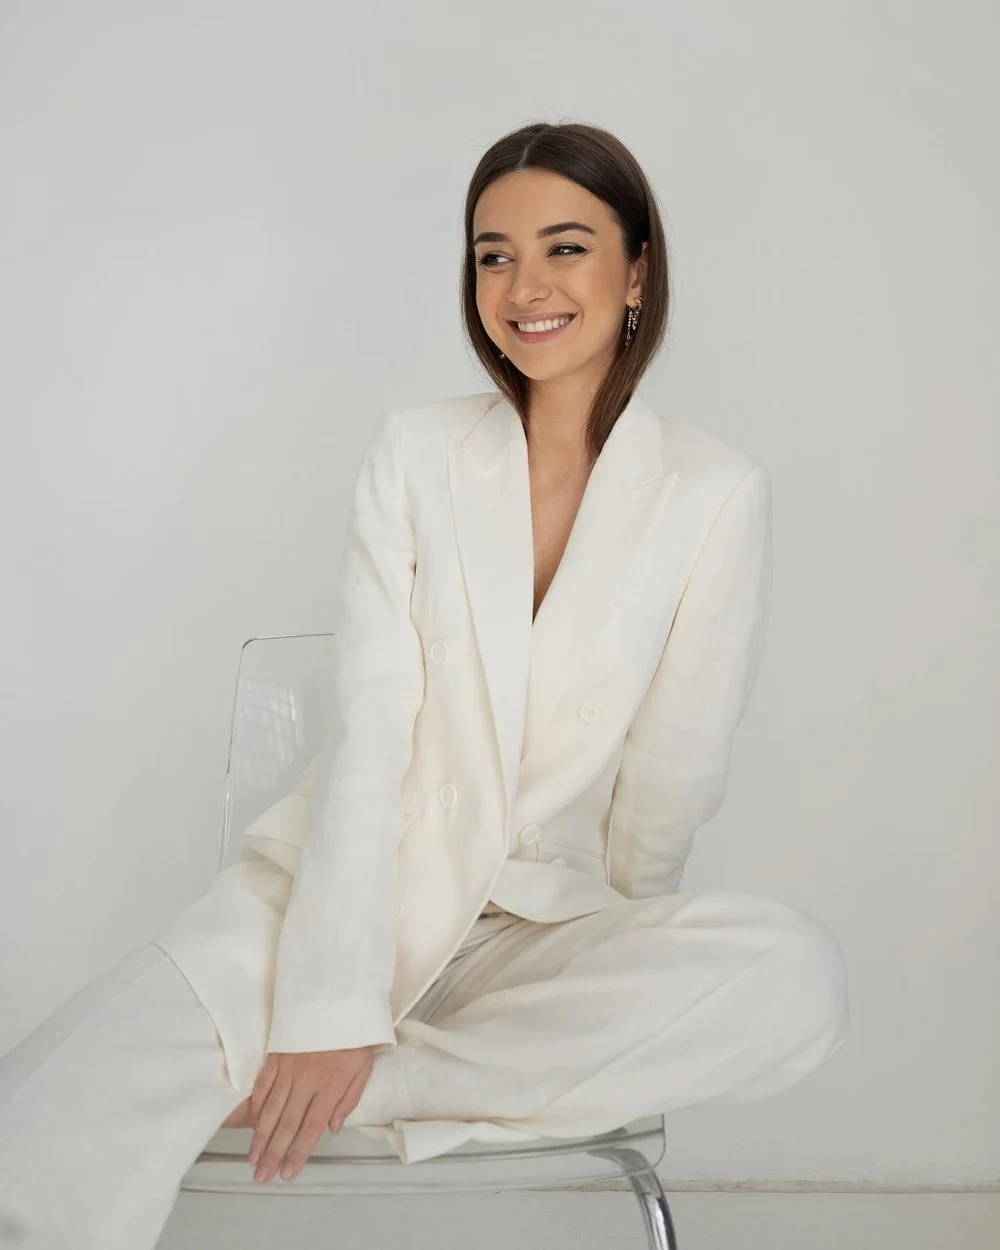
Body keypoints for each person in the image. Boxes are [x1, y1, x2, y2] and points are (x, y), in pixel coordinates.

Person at [0, 120, 850, 1247]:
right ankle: (343, 1056)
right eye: (492, 254)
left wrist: (612, 984)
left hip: (534, 927)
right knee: (48, 1119)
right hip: (343, 897)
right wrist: (329, 1004)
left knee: (795, 977)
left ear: (635, 270)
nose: (524, 285)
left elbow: (670, 778)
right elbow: (370, 748)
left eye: (565, 247)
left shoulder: (711, 492)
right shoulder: (415, 453)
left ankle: (391, 1084)